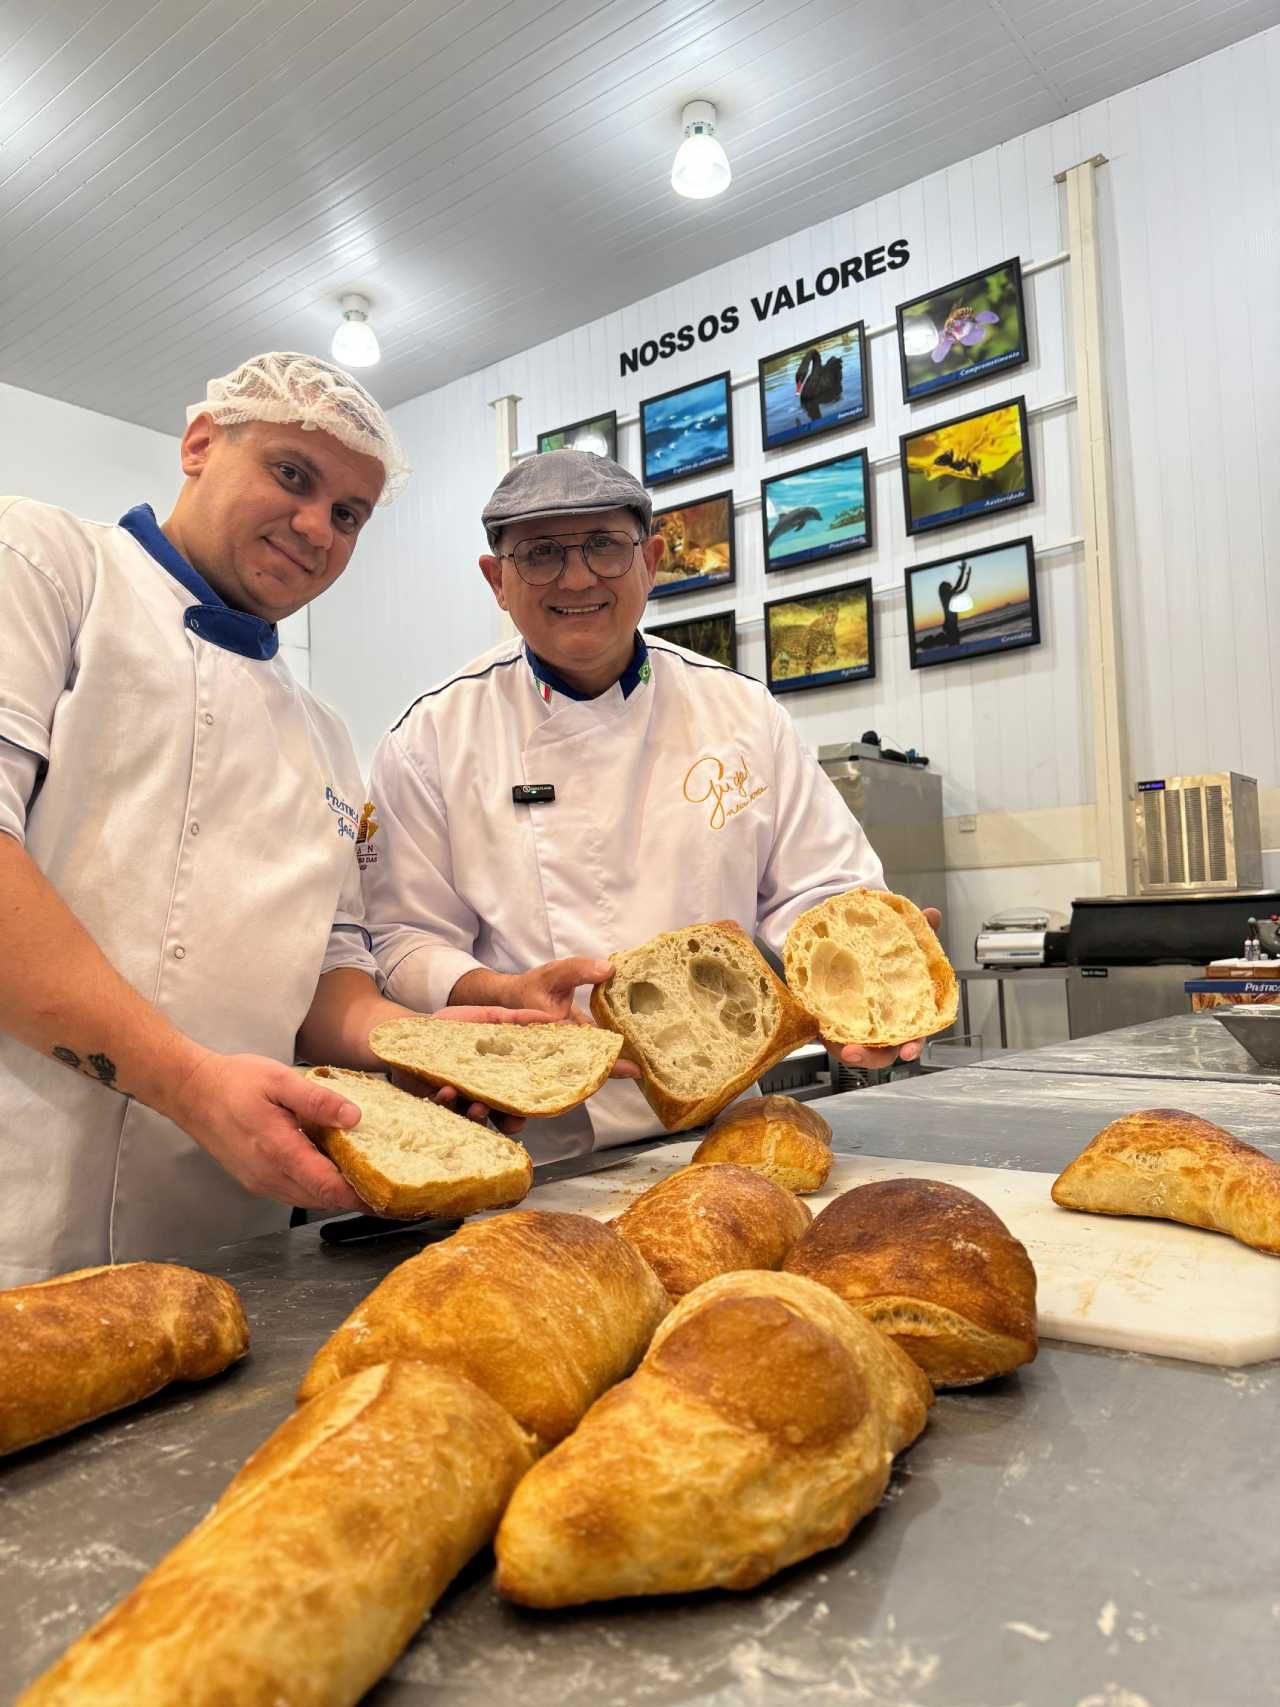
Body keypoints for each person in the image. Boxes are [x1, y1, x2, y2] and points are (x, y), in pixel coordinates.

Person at [0, 352, 539, 1286]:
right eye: (293, 474)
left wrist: (436, 1042)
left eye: (349, 515)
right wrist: (192, 1084)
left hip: (222, 1243)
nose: (315, 527)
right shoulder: (45, 566)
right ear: (201, 444)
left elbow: (326, 973)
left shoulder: (325, 736)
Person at [361, 450, 939, 1162]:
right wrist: (503, 991)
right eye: (539, 554)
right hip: (525, 1139)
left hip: (727, 1133)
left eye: (605, 546)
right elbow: (401, 940)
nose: (576, 577)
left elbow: (824, 888)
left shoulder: (740, 712)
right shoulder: (429, 737)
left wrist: (865, 980)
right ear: (497, 581)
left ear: (653, 559)